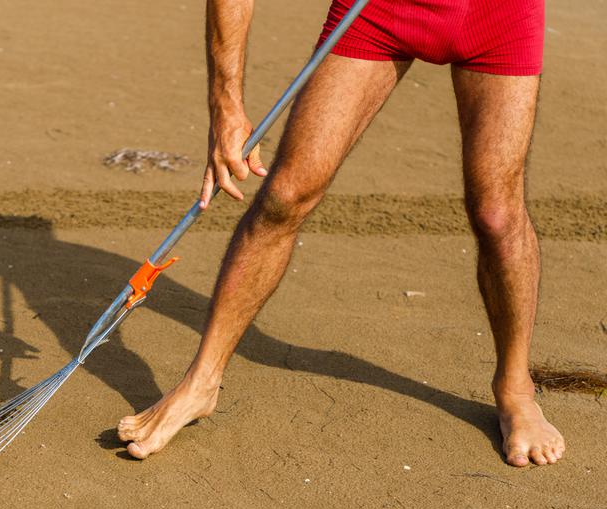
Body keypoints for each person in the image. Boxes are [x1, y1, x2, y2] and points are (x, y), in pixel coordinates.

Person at [117, 0, 564, 467]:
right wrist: (225, 106)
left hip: (498, 15)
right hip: (382, 11)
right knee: (285, 195)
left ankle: (515, 390)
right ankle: (201, 382)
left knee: (496, 213)